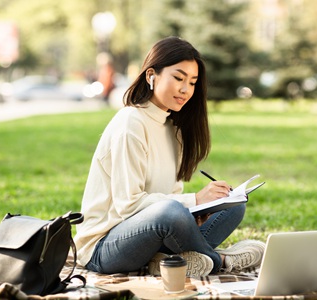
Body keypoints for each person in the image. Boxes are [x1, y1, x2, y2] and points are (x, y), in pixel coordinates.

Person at [74, 36, 265, 277]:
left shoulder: (174, 128)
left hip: (152, 237)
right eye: (178, 78)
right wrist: (194, 200)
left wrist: (201, 210)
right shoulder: (130, 123)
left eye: (193, 82)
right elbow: (128, 206)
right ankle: (221, 261)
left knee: (232, 205)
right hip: (104, 248)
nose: (186, 89)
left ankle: (165, 261)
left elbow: (172, 197)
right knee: (171, 212)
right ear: (151, 75)